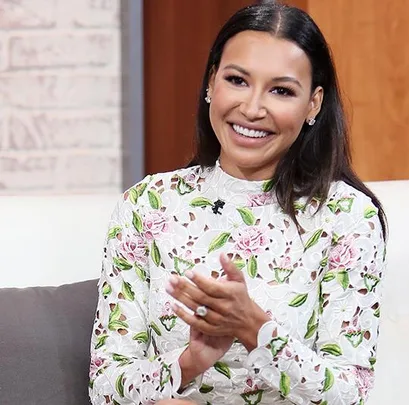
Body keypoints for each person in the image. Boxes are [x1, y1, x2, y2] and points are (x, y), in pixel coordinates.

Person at [88, 1, 388, 404]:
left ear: (313, 103)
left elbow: (350, 395)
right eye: (237, 80)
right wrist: (191, 360)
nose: (252, 108)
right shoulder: (147, 206)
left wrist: (255, 328)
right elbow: (105, 387)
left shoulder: (348, 217)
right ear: (211, 83)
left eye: (281, 90)